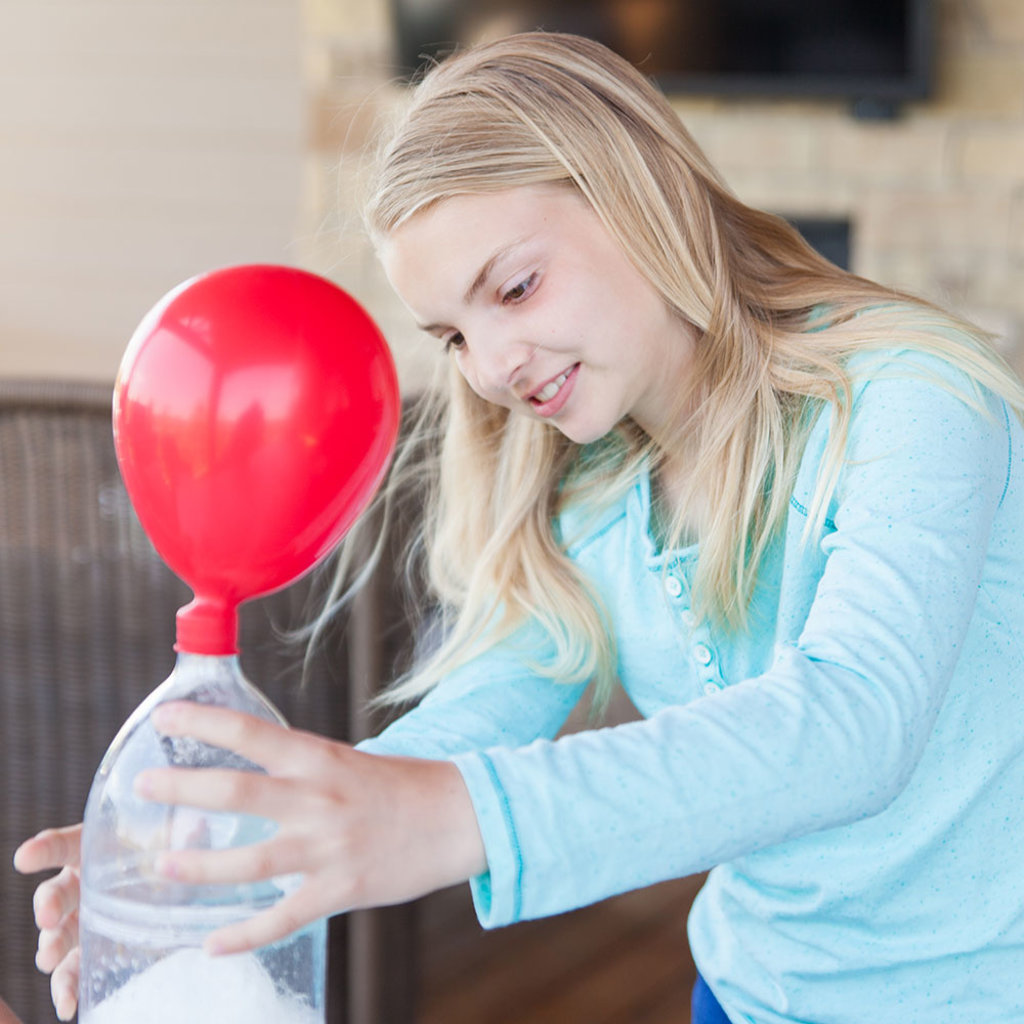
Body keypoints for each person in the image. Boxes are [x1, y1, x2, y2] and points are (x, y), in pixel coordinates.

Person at [14, 30, 1024, 1024]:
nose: (492, 366)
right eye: (453, 333)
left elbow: (857, 723)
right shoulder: (592, 488)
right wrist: (231, 860)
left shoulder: (914, 394)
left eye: (514, 286)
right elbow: (485, 707)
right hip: (750, 992)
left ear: (640, 196)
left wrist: (457, 819)